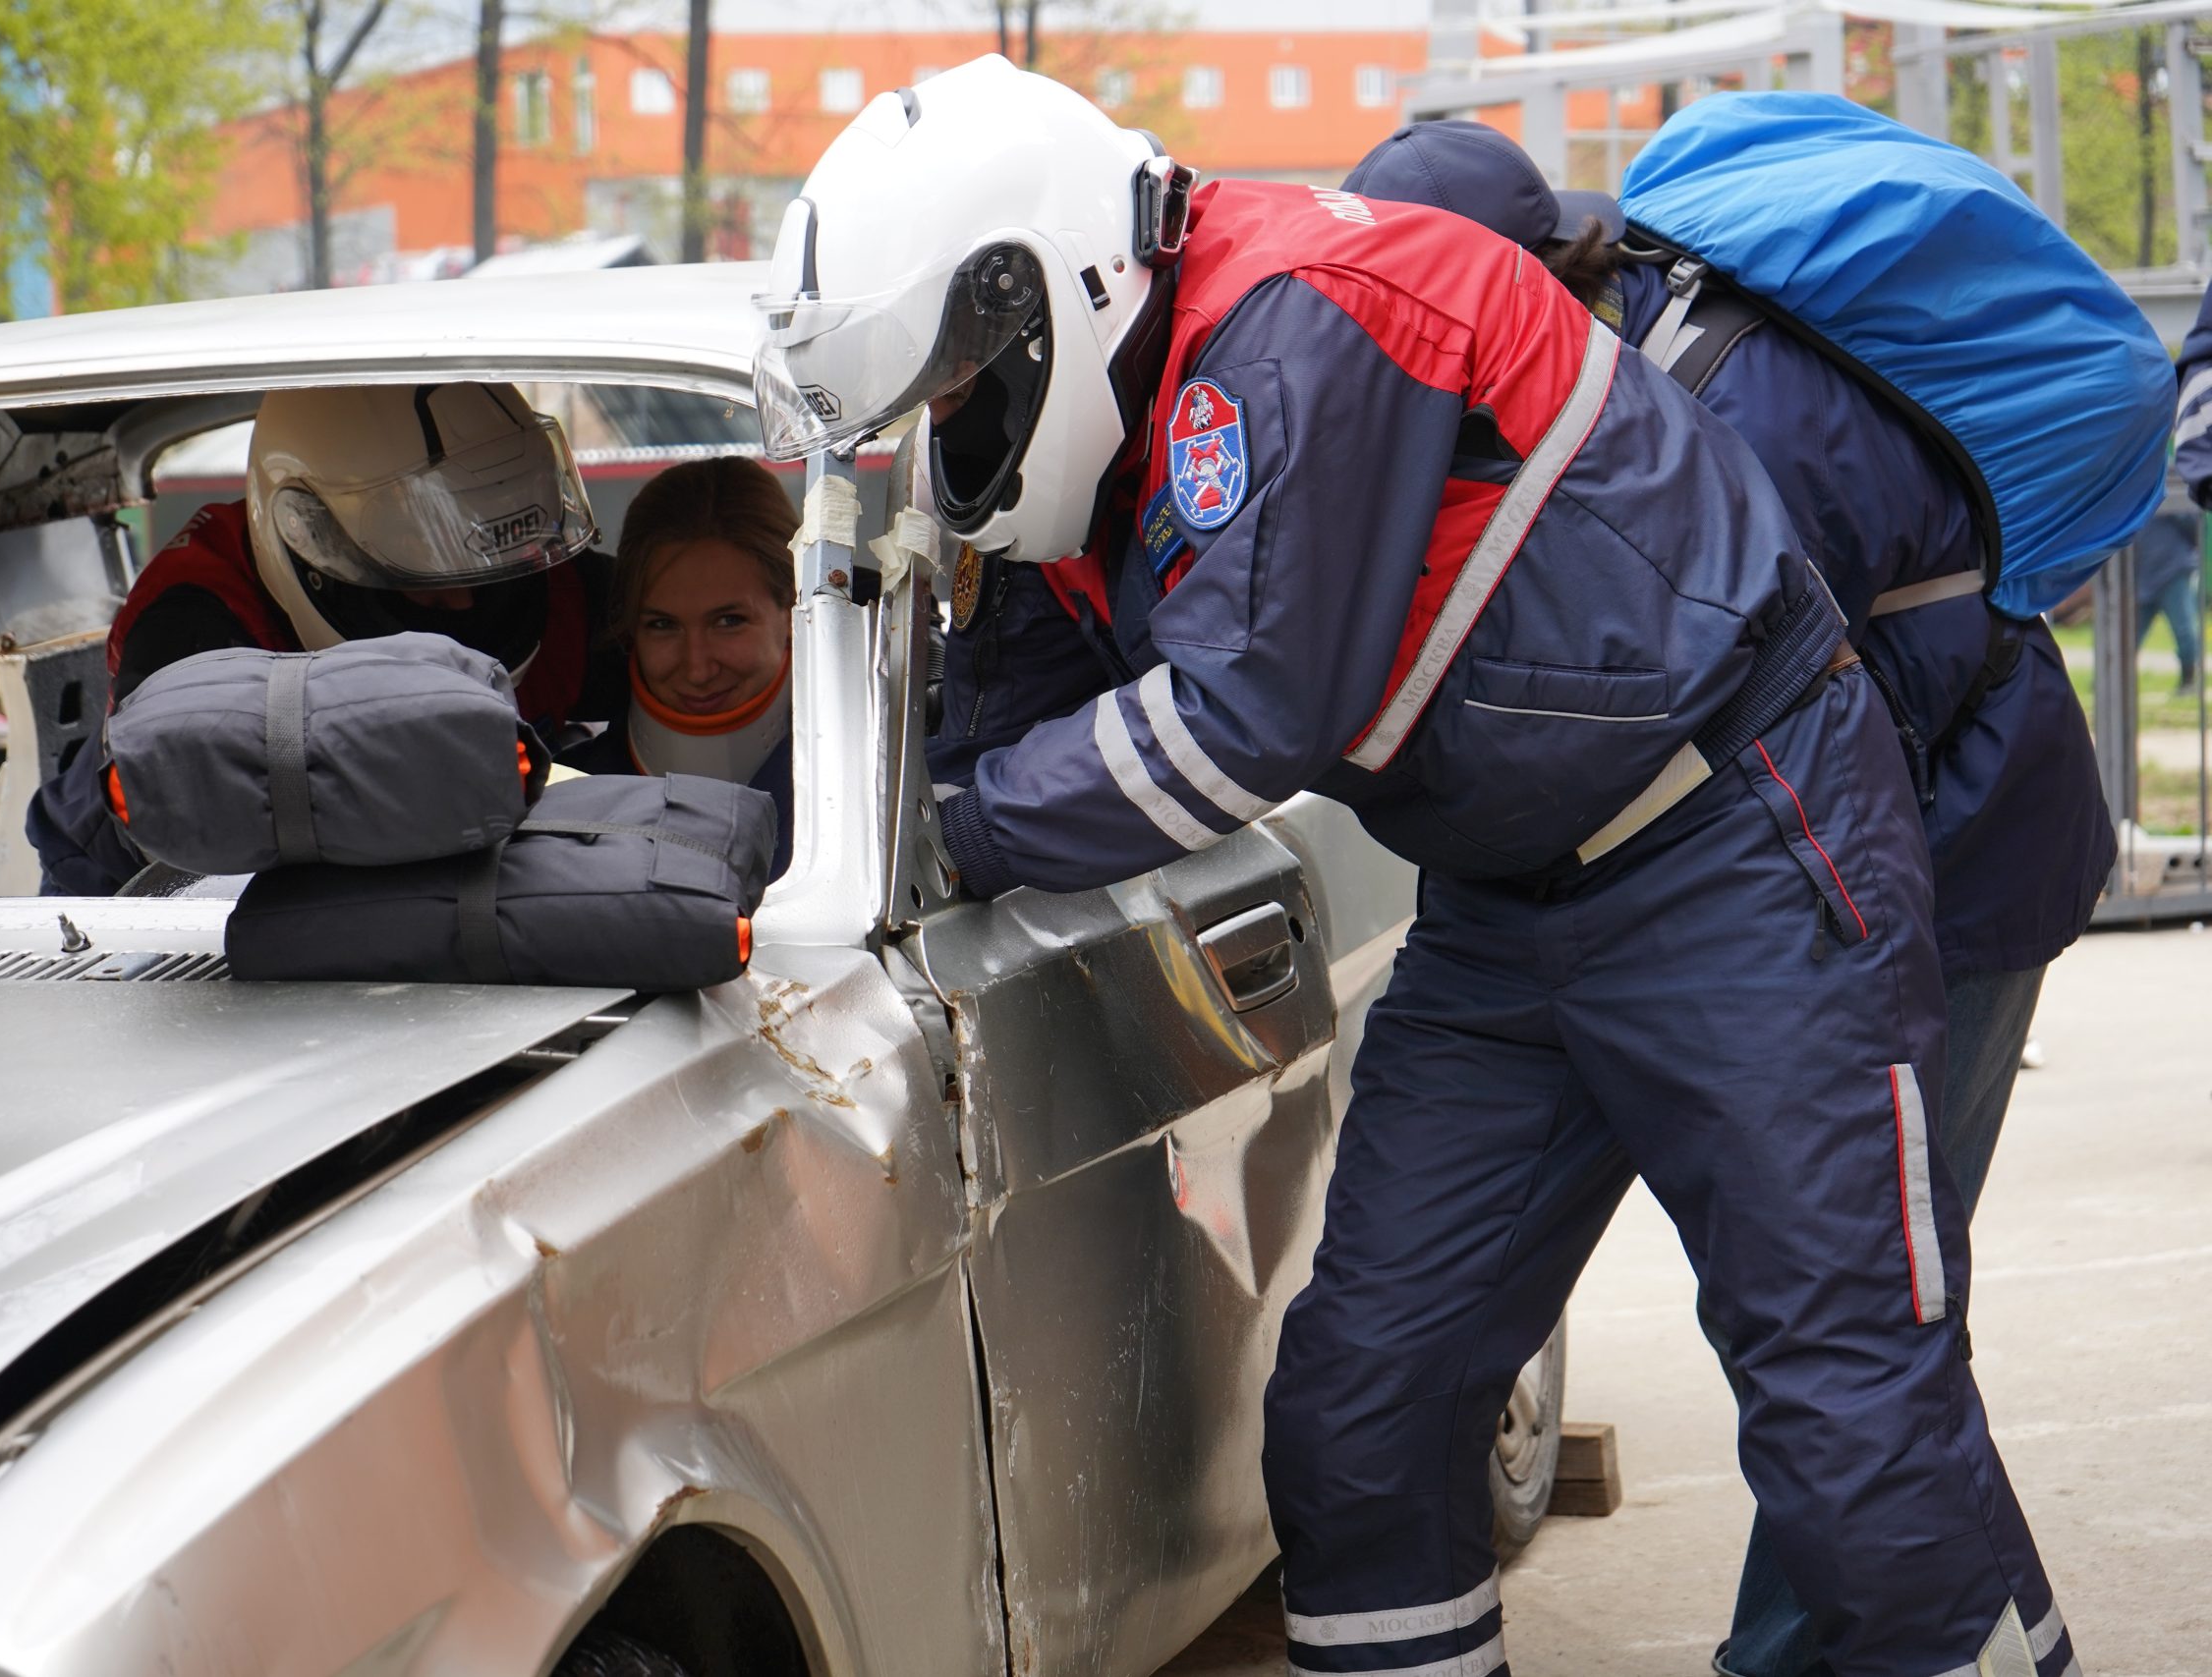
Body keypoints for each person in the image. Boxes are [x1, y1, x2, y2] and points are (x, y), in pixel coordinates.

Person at [760, 57, 2073, 1677]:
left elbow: (1239, 723)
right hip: (1507, 907)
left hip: (1739, 849)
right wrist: (776, 831)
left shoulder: (1306, 319)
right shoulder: (1124, 423)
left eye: (960, 386)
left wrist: (944, 835)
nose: (954, 427)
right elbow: (1004, 716)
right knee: (1365, 1412)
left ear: (1050, 287)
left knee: (1851, 1431)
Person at [1340, 118, 2106, 1677]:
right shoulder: (1550, 387)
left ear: (1525, 285)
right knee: (1857, 1347)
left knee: (1859, 1342)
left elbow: (1799, 728)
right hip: (1767, 872)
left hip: (1945, 864)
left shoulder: (1721, 419)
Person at [29, 381, 615, 894]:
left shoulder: (551, 591)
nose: (465, 604)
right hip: (133, 888)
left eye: (484, 572)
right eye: (428, 578)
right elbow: (210, 860)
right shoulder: (192, 638)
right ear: (312, 543)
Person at [559, 456, 796, 866]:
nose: (697, 668)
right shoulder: (559, 803)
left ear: (795, 611)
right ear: (630, 627)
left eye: (729, 621)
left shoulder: (870, 792)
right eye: (663, 625)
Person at [2132, 499, 2202, 695]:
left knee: (2184, 630)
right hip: (2144, 574)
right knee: (2129, 634)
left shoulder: (2174, 490)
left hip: (2173, 571)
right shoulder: (2137, 488)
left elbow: (2195, 528)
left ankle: (2188, 682)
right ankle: (2113, 685)